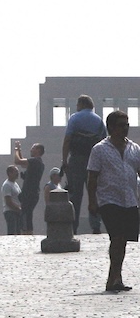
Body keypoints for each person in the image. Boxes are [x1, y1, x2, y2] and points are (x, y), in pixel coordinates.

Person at [86, 110, 140, 292]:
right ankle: (112, 277)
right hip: (109, 199)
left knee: (123, 240)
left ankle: (117, 276)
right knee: (116, 237)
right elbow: (92, 177)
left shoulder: (134, 149)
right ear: (110, 128)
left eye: (126, 125)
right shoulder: (99, 150)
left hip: (130, 199)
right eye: (120, 125)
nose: (124, 129)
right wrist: (92, 201)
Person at [62, 94, 107, 234]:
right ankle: (96, 225)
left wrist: (64, 160)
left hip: (76, 160)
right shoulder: (99, 121)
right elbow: (104, 143)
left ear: (81, 104)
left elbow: (67, 140)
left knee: (75, 194)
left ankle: (73, 227)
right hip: (94, 160)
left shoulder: (74, 118)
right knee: (93, 192)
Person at [13, 142, 45, 234]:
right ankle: (27, 232)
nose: (31, 150)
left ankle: (27, 233)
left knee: (26, 215)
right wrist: (19, 149)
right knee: (27, 214)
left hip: (30, 193)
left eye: (33, 148)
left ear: (38, 150)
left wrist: (16, 150)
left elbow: (18, 161)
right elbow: (23, 163)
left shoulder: (35, 161)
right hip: (33, 193)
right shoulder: (37, 163)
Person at [1, 165, 22, 235]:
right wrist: (18, 208)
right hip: (10, 212)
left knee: (18, 232)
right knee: (12, 232)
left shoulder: (15, 184)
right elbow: (8, 201)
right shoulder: (7, 185)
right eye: (15, 172)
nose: (17, 174)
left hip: (17, 212)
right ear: (10, 173)